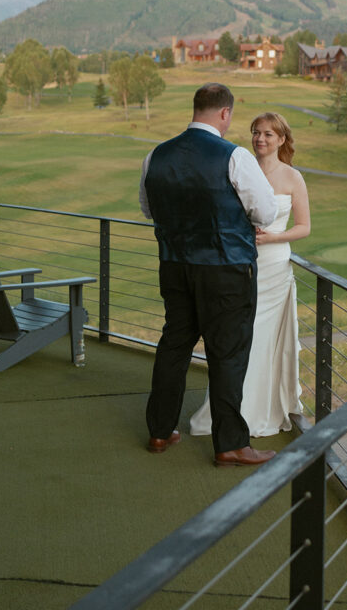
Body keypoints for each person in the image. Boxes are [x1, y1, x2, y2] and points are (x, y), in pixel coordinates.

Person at [139, 83, 278, 466]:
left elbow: (148, 209)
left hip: (174, 265)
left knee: (174, 347)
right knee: (228, 354)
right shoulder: (235, 156)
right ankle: (230, 443)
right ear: (224, 114)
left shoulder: (155, 156)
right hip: (225, 271)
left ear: (196, 108)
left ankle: (160, 431)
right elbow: (266, 214)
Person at [190, 112, 310, 437]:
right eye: (256, 133)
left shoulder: (293, 178)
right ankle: (230, 411)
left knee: (264, 336)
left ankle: (260, 409)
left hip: (274, 266)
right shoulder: (240, 169)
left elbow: (304, 227)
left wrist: (273, 238)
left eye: (268, 134)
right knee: (238, 335)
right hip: (239, 263)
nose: (260, 139)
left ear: (282, 139)